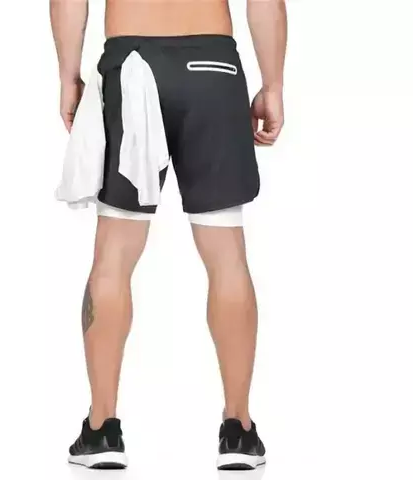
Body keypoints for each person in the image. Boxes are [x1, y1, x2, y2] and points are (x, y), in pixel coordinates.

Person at [50, 0, 287, 471]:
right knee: (226, 254)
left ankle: (101, 430)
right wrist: (273, 84)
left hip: (131, 63)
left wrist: (68, 76)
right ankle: (238, 431)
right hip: (214, 68)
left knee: (114, 253)